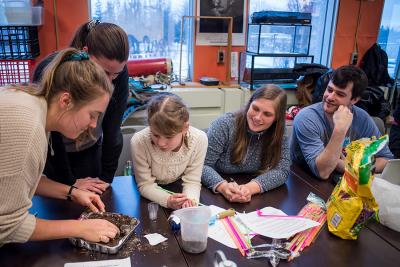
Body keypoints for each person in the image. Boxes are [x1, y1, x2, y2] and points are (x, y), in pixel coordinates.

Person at [0, 48, 120, 246]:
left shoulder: (33, 106)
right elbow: (7, 227)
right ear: (66, 100)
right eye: (92, 114)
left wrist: (71, 192)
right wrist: (81, 228)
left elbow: (17, 181)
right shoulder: (27, 128)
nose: (93, 124)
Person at [33, 20, 129, 194]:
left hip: (90, 150)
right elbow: (52, 133)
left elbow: (113, 130)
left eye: (116, 74)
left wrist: (105, 179)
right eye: (105, 72)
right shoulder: (51, 70)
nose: (109, 81)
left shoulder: (117, 74)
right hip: (57, 155)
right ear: (85, 53)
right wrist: (69, 184)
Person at [291, 65, 393, 180]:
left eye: (340, 94)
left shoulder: (362, 118)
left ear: (354, 100)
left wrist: (355, 168)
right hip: (306, 182)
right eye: (329, 90)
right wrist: (340, 129)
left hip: (344, 182)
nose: (330, 97)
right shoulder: (306, 117)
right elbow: (323, 172)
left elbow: (386, 160)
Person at [201, 85, 290, 203]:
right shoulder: (224, 125)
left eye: (267, 114)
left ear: (277, 118)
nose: (258, 118)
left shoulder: (279, 131)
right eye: (255, 108)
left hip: (250, 191)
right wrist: (223, 187)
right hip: (214, 189)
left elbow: (282, 170)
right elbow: (203, 165)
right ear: (249, 104)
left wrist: (249, 188)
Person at [131, 93, 208, 209]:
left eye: (168, 136)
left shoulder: (199, 139)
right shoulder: (139, 141)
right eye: (155, 135)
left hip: (176, 187)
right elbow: (145, 185)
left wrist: (189, 202)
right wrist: (167, 200)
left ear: (185, 128)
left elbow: (192, 181)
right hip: (147, 196)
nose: (161, 143)